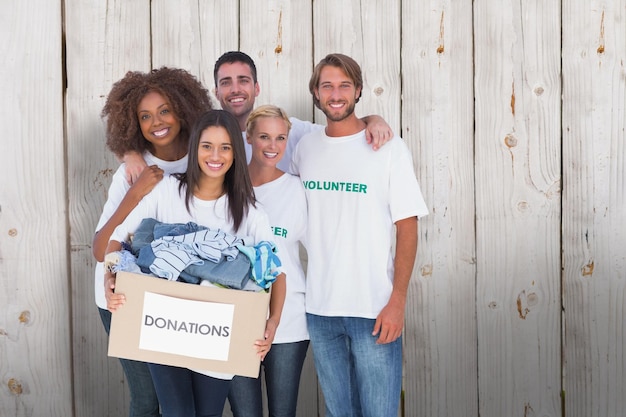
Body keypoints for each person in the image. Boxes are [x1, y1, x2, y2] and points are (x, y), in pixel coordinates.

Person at [104, 109, 287, 417]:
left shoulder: (249, 211)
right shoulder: (167, 192)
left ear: (235, 153)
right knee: (178, 412)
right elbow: (117, 240)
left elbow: (275, 272)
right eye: (207, 146)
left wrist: (272, 322)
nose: (215, 155)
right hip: (164, 326)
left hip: (218, 335)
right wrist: (109, 278)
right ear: (194, 149)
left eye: (225, 147)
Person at [290, 53, 429, 417]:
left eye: (344, 86)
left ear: (358, 91)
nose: (336, 94)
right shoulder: (303, 147)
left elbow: (408, 226)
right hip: (320, 311)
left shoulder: (389, 149)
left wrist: (397, 300)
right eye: (327, 86)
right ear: (316, 94)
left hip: (375, 309)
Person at [94, 66, 213, 417]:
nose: (156, 122)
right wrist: (136, 190)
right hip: (122, 295)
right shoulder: (131, 170)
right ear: (133, 123)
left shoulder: (207, 159)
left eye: (164, 110)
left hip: (180, 299)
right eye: (144, 116)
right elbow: (102, 248)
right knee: (148, 399)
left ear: (183, 108)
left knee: (182, 401)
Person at [123, 51, 394, 183]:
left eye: (243, 80)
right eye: (226, 82)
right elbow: (162, 142)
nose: (236, 89)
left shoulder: (290, 130)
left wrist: (372, 119)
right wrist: (130, 153)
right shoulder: (204, 135)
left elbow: (337, 132)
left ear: (256, 87)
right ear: (216, 91)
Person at [227, 105, 309, 417]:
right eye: (264, 136)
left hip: (288, 319)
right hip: (236, 317)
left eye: (280, 138)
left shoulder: (297, 190)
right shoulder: (226, 185)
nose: (272, 146)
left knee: (282, 412)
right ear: (248, 137)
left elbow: (321, 248)